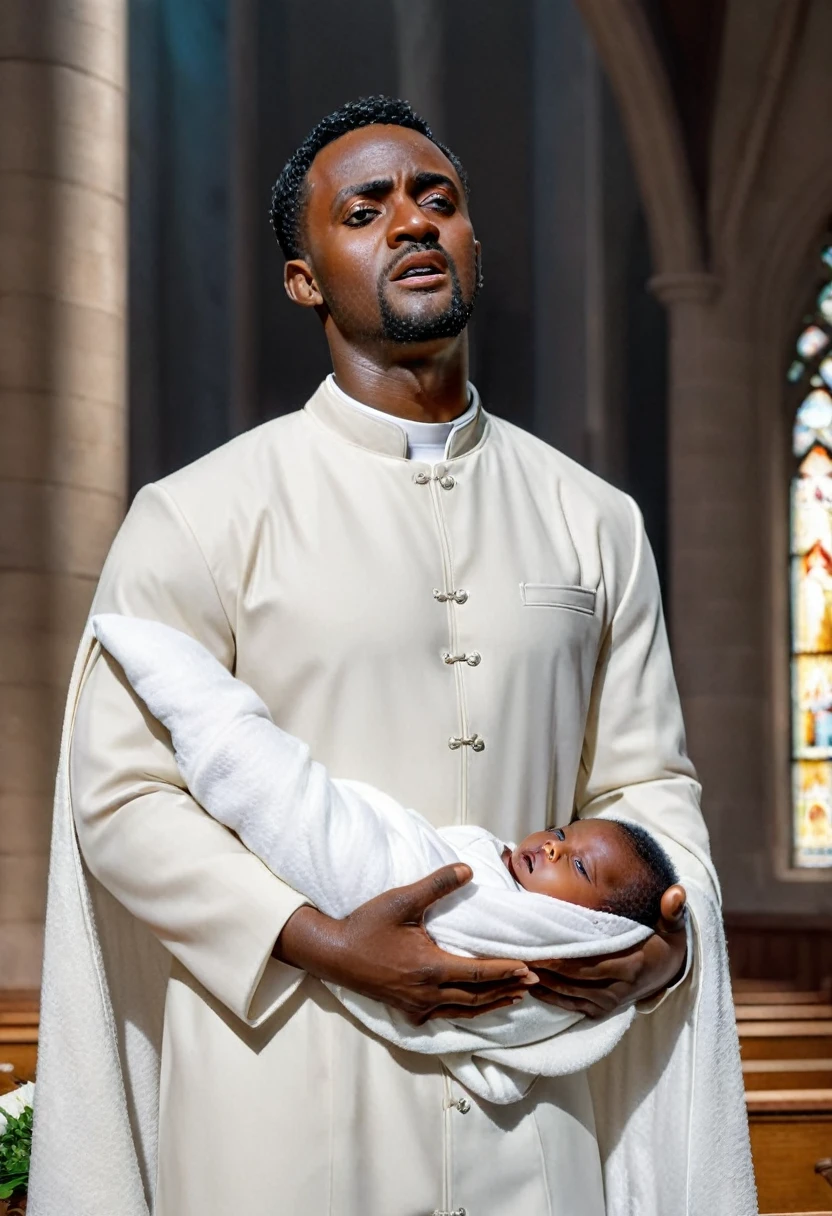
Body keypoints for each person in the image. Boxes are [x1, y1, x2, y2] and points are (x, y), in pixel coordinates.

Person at [29, 96, 755, 1216]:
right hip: (282, 1088)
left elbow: (646, 786)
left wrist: (668, 945)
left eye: (437, 201)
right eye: (363, 211)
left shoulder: (593, 519)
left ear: (473, 243)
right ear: (303, 278)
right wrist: (328, 942)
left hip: (534, 1090)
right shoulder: (199, 514)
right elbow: (122, 798)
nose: (411, 224)